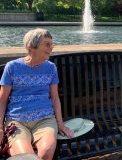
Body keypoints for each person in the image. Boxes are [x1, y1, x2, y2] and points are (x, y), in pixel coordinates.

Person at [0, 28, 74, 160]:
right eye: (47, 44)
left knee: (46, 151)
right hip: (17, 122)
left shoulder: (50, 67)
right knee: (27, 157)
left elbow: (55, 98)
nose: (51, 48)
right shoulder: (12, 67)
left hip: (45, 120)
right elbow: (2, 100)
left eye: (52, 44)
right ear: (31, 46)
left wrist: (60, 124)